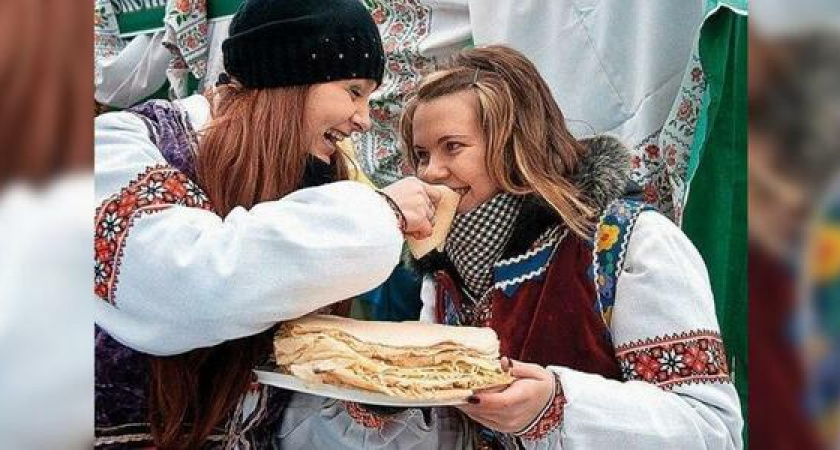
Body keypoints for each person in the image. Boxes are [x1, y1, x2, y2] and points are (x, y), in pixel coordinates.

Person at [276, 45, 743, 449]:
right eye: (421, 155)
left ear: (516, 145)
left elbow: (712, 430)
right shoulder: (444, 274)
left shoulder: (627, 246)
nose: (430, 172)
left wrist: (556, 404)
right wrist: (385, 398)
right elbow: (456, 429)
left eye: (452, 147)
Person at [93, 0, 443, 448]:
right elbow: (190, 287)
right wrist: (383, 212)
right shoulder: (120, 145)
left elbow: (281, 413)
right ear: (289, 75)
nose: (364, 119)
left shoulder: (298, 180)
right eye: (354, 91)